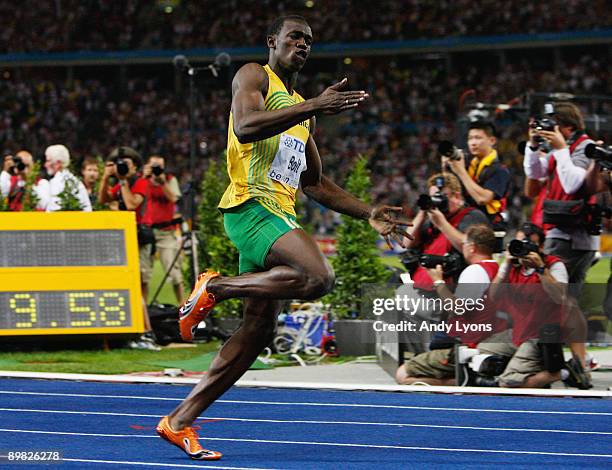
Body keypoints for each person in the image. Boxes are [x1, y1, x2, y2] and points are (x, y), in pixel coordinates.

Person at [156, 15, 408, 461]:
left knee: (256, 333)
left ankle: (179, 421)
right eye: (295, 37)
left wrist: (369, 212)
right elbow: (246, 125)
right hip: (251, 208)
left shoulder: (301, 113)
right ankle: (214, 287)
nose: (303, 45)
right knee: (317, 276)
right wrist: (312, 105)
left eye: (309, 41)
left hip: (276, 215)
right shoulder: (255, 75)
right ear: (273, 42)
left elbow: (314, 183)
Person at [484, 222, 591, 389]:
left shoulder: (554, 265)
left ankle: (566, 372)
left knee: (507, 383)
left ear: (541, 246)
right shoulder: (513, 266)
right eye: (520, 243)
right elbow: (493, 296)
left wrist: (541, 269)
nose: (523, 249)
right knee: (483, 349)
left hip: (540, 336)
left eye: (529, 244)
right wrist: (505, 266)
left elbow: (560, 297)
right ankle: (534, 370)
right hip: (519, 332)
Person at [396, 224, 503, 385]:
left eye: (464, 244)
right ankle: (467, 380)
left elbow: (457, 308)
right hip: (482, 339)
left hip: (466, 345)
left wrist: (438, 281)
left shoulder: (475, 271)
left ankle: (468, 381)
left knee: (403, 375)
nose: (462, 248)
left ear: (472, 248)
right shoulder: (497, 268)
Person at [523, 102, 597, 299]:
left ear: (568, 127)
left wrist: (561, 148)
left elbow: (573, 184)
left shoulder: (585, 146)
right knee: (568, 299)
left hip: (572, 233)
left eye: (553, 125)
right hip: (564, 230)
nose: (548, 130)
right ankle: (579, 330)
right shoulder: (560, 149)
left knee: (549, 296)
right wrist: (532, 146)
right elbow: (535, 173)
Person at [98, 146, 160, 351]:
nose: (123, 167)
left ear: (135, 167)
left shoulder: (141, 182)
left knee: (140, 284)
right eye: (119, 164)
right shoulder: (120, 184)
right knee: (128, 285)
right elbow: (103, 199)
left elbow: (133, 204)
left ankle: (146, 332)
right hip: (124, 239)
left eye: (127, 164)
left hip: (141, 240)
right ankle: (135, 329)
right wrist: (106, 178)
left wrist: (123, 181)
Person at [444, 121, 511, 231]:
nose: (473, 143)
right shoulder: (468, 165)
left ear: (492, 141)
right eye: (470, 138)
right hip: (467, 223)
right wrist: (446, 168)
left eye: (478, 138)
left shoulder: (499, 170)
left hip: (487, 228)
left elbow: (482, 198)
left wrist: (460, 171)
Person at [140, 155, 184, 304]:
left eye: (159, 167)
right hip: (147, 232)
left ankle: (182, 306)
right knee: (144, 274)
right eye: (154, 167)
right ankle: (143, 310)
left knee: (175, 273)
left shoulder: (170, 180)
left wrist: (162, 182)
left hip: (166, 231)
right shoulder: (142, 180)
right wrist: (144, 178)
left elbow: (173, 198)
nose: (157, 170)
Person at [44, 144, 92, 212]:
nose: (45, 165)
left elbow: (54, 211)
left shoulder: (57, 182)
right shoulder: (75, 181)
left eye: (48, 161)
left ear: (58, 163)